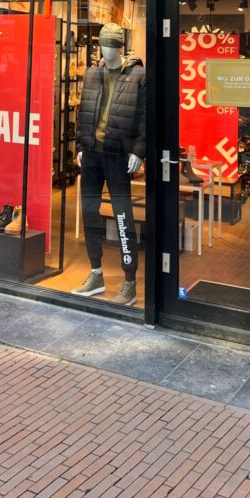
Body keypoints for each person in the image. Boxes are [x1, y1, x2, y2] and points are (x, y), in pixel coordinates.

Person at [72, 23, 145, 306]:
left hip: (118, 156)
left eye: (113, 45)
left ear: (120, 47)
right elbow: (84, 111)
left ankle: (130, 280)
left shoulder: (138, 75)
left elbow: (146, 117)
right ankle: (96, 272)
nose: (108, 50)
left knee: (123, 216)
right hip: (91, 154)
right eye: (105, 44)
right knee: (90, 212)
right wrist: (80, 146)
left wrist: (138, 151)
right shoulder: (93, 73)